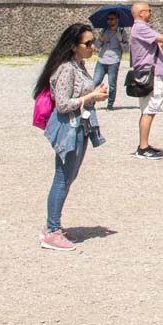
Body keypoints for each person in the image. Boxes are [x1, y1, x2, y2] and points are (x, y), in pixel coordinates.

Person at [34, 23, 108, 251]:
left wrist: (94, 94)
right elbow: (63, 104)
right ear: (74, 46)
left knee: (68, 177)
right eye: (88, 43)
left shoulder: (79, 65)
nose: (92, 46)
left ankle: (53, 227)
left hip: (80, 126)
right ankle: (52, 230)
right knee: (62, 178)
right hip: (69, 127)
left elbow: (79, 94)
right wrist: (91, 96)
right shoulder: (66, 68)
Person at [129, 1, 163, 158]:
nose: (151, 13)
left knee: (148, 110)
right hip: (150, 74)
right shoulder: (140, 28)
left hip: (149, 72)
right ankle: (143, 147)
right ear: (140, 13)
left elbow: (160, 45)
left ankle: (144, 145)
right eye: (148, 10)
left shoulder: (141, 29)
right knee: (149, 110)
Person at [91, 11, 126, 110]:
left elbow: (126, 48)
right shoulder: (104, 30)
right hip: (102, 59)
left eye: (112, 19)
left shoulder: (122, 32)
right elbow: (97, 46)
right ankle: (91, 102)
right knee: (95, 82)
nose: (109, 21)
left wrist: (120, 40)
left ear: (117, 20)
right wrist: (100, 40)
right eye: (108, 19)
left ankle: (110, 104)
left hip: (114, 61)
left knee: (112, 84)